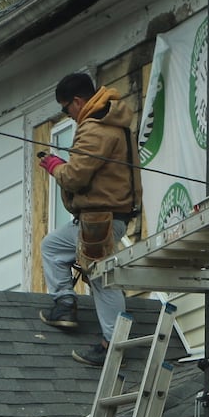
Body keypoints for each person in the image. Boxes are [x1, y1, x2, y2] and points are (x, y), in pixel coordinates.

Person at [36, 71, 141, 367]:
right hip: (109, 216)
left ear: (78, 101)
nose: (67, 114)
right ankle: (65, 305)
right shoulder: (115, 124)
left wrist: (54, 165)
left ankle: (112, 343)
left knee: (102, 279)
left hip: (99, 218)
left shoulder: (95, 128)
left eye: (65, 107)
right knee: (55, 248)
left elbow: (75, 176)